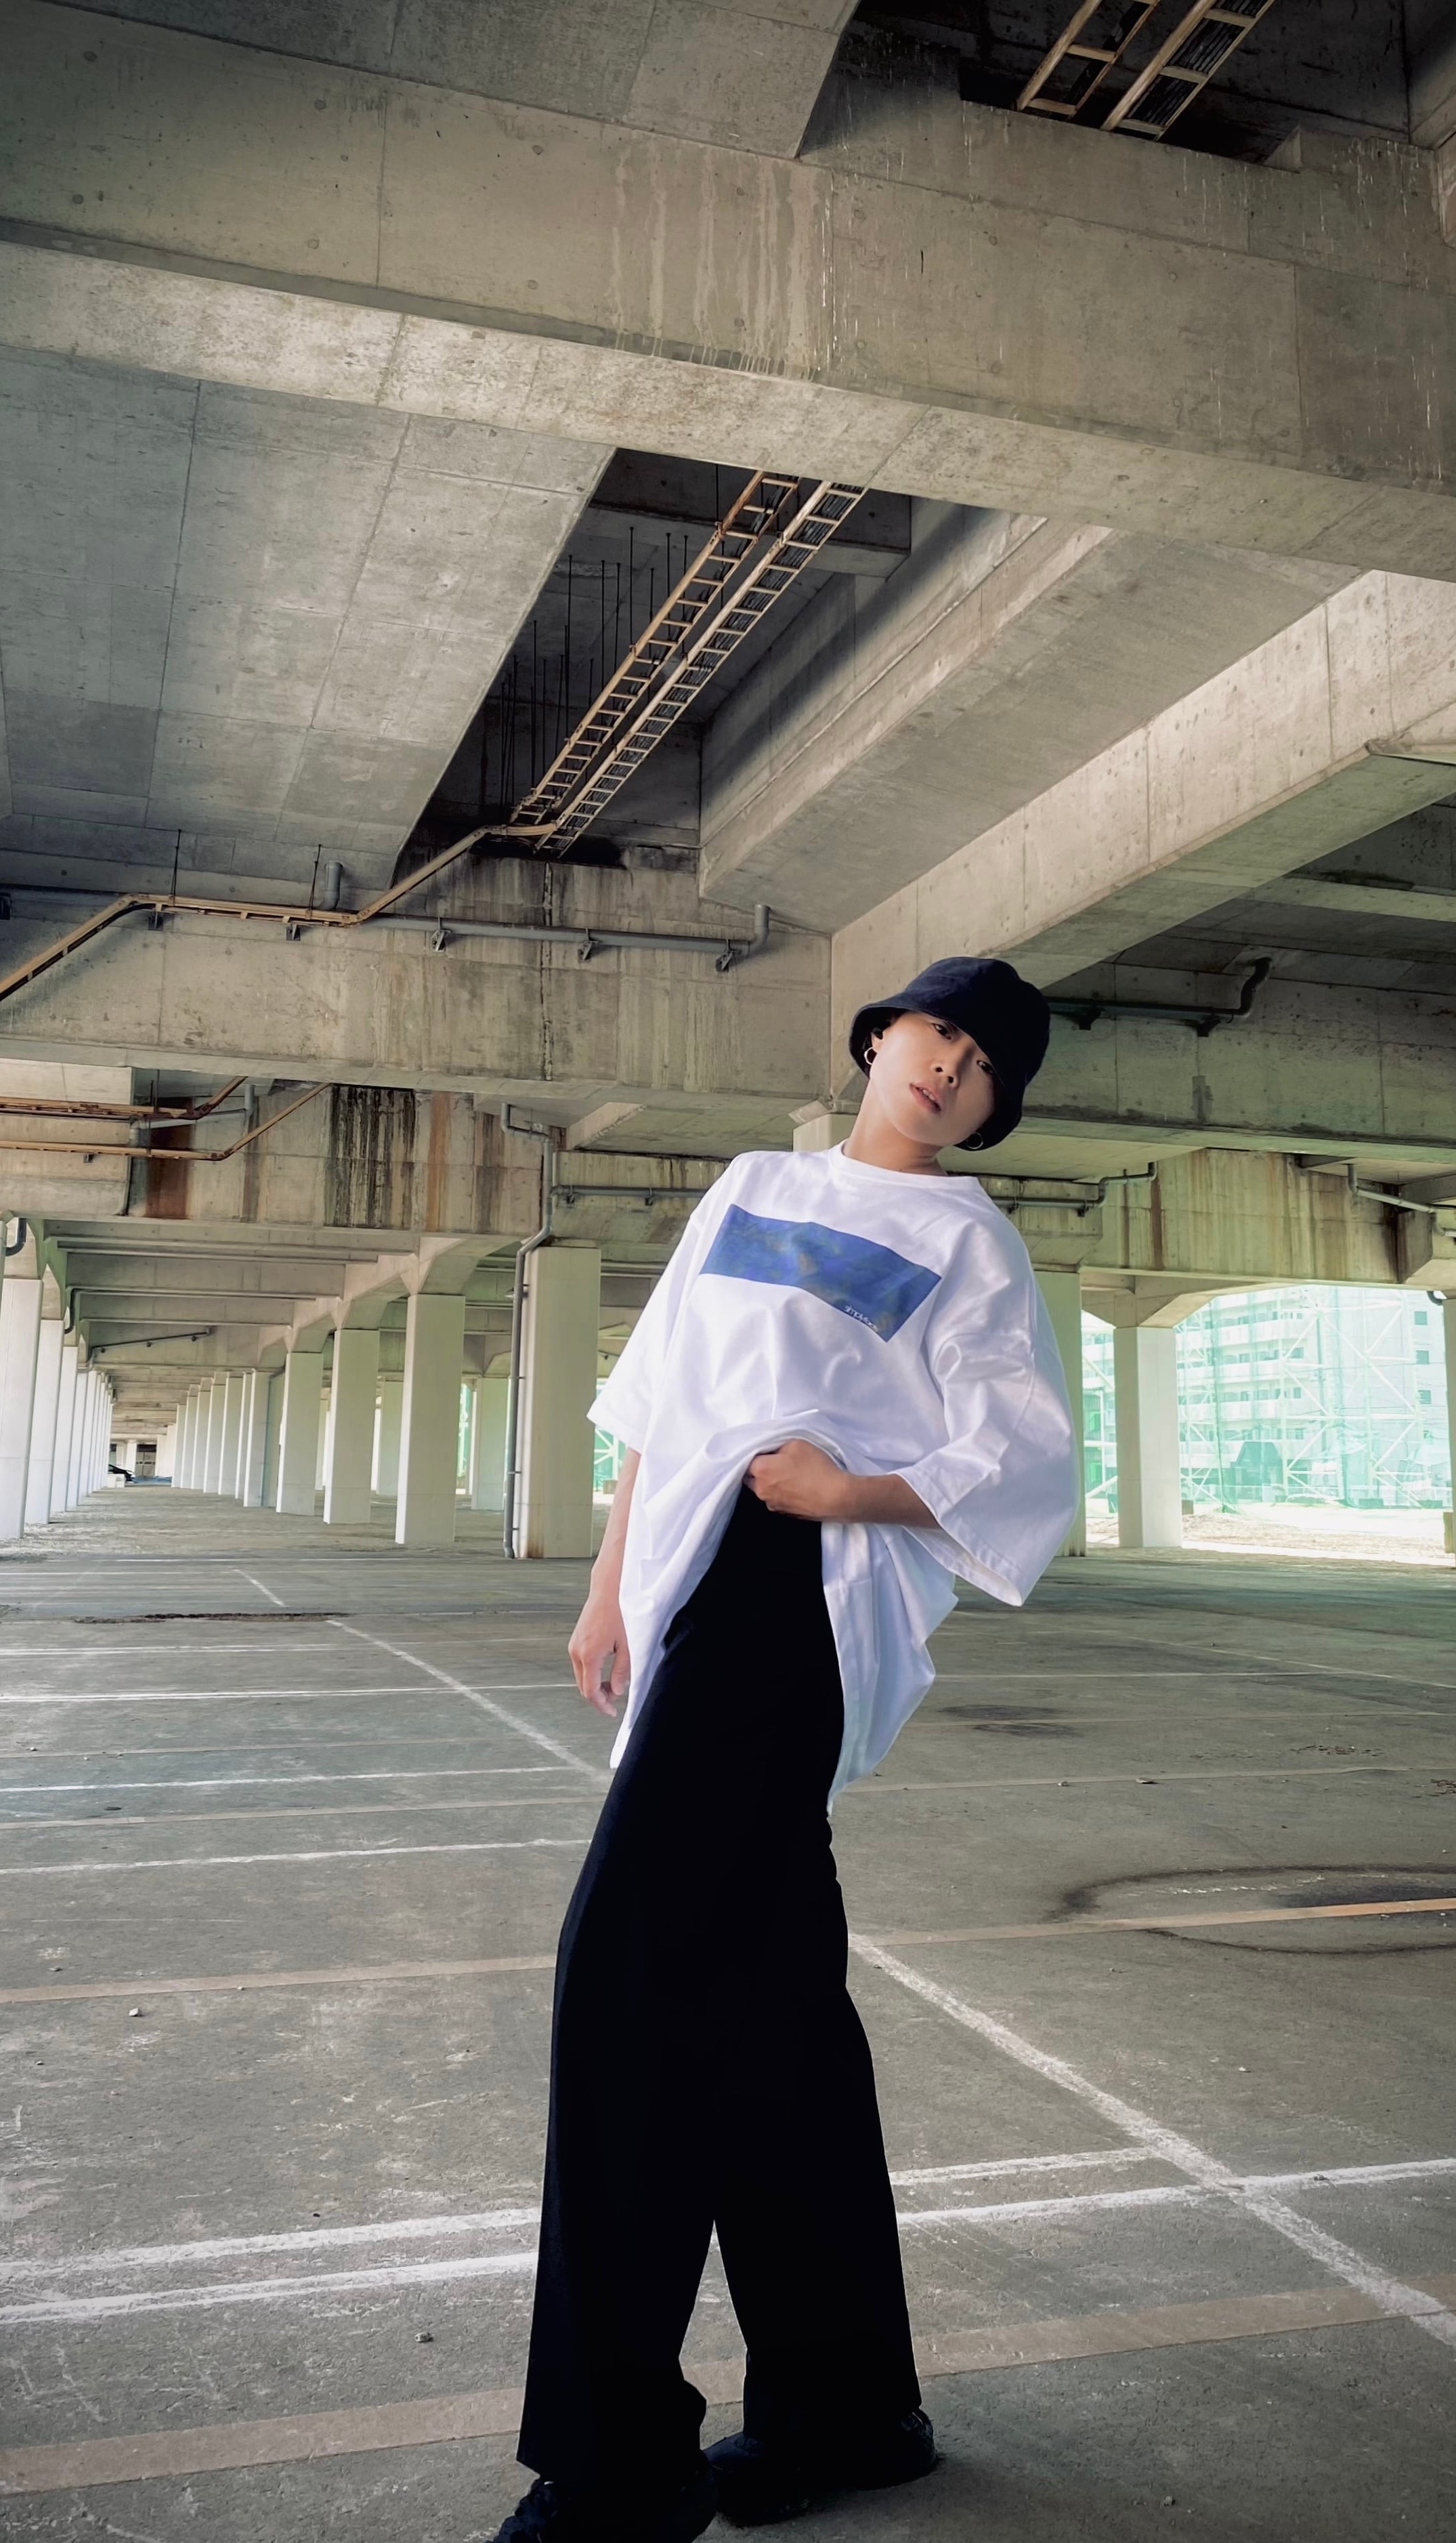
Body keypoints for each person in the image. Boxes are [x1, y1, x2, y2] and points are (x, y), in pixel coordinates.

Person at [494, 957, 1082, 2542]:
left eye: (984, 1063)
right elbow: (663, 1403)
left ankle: (617, 2468)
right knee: (769, 2019)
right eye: (936, 1030)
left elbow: (1023, 1457)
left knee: (625, 1983)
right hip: (689, 1575)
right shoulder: (753, 1184)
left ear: (993, 1106)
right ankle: (848, 2407)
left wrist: (848, 1494)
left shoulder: (967, 1240)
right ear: (880, 1037)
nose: (949, 1066)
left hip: (799, 1591)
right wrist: (610, 1586)